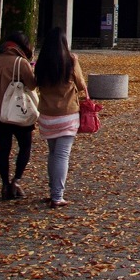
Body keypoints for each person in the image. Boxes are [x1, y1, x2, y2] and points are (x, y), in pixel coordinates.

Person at [35, 27, 87, 209]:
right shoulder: (70, 60)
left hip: (47, 115)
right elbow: (81, 85)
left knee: (53, 154)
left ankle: (53, 190)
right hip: (67, 114)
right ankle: (57, 195)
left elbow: (34, 83)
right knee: (62, 155)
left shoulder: (41, 62)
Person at [0, 31, 37, 200]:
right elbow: (31, 85)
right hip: (18, 111)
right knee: (25, 146)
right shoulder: (21, 62)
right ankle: (16, 181)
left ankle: (4, 184)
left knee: (3, 149)